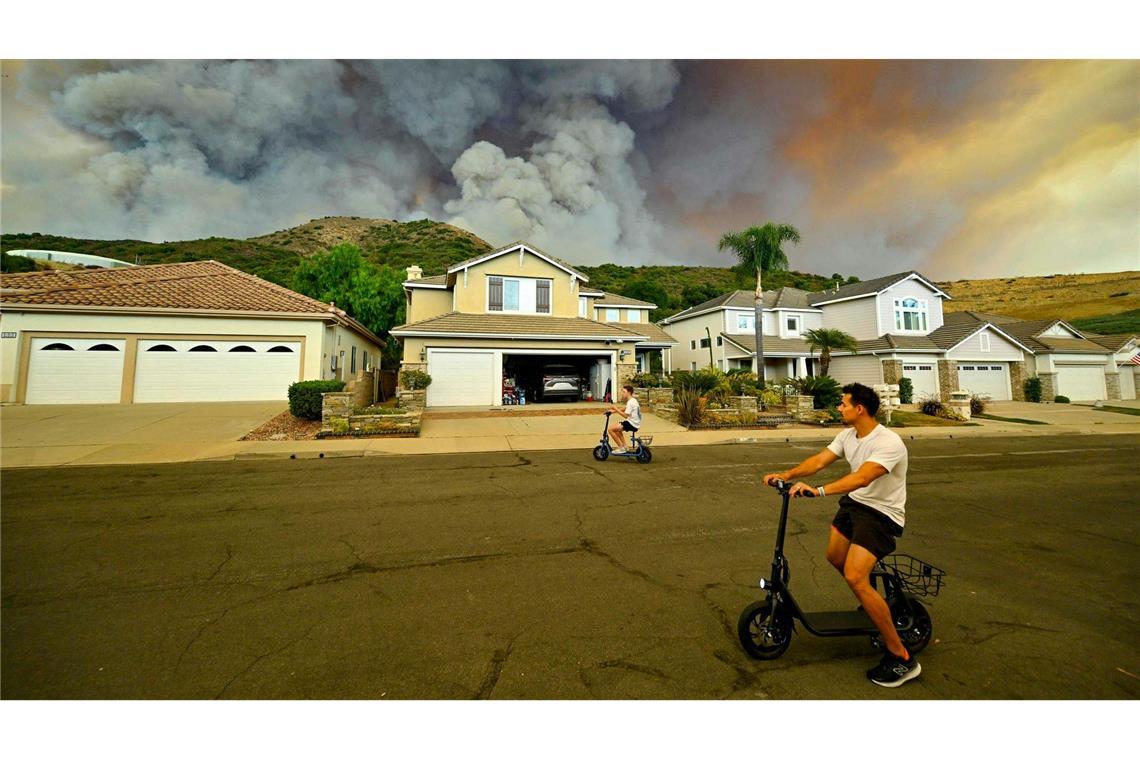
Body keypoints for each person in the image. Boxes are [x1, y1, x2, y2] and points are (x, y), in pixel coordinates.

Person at [761, 382, 919, 688]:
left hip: (882, 514)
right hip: (855, 506)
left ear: (859, 408)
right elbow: (820, 461)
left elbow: (862, 477)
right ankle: (873, 600)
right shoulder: (848, 436)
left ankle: (902, 658)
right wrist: (787, 475)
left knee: (855, 577)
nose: (838, 408)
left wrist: (817, 491)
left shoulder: (889, 442)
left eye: (843, 404)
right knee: (835, 557)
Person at [607, 384, 642, 454]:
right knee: (617, 429)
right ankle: (625, 446)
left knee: (610, 429)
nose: (622, 394)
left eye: (623, 392)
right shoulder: (633, 400)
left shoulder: (630, 402)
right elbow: (625, 408)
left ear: (628, 392)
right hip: (634, 422)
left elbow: (626, 416)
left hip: (632, 423)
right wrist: (613, 411)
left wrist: (616, 409)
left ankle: (621, 447)